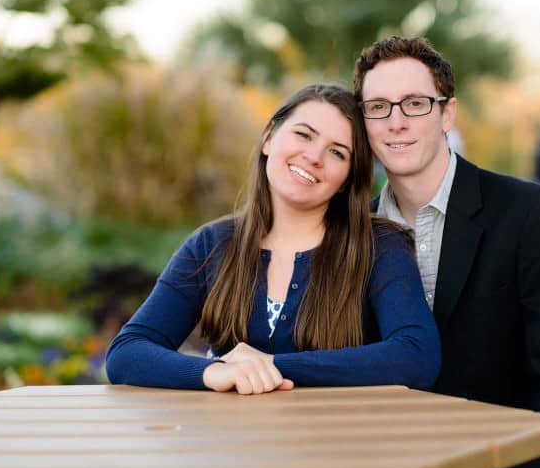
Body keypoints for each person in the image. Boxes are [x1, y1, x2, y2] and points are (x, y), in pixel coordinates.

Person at [355, 37, 540, 468]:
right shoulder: (353, 234)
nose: (395, 122)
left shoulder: (533, 216)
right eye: (378, 106)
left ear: (447, 112)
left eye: (414, 103)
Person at [105, 84, 440, 394]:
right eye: (303, 135)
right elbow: (127, 353)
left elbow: (416, 356)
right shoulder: (212, 245)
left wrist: (271, 365)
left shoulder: (379, 247)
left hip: (339, 447)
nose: (314, 156)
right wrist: (216, 372)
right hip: (234, 450)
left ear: (346, 180)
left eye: (337, 153)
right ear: (269, 139)